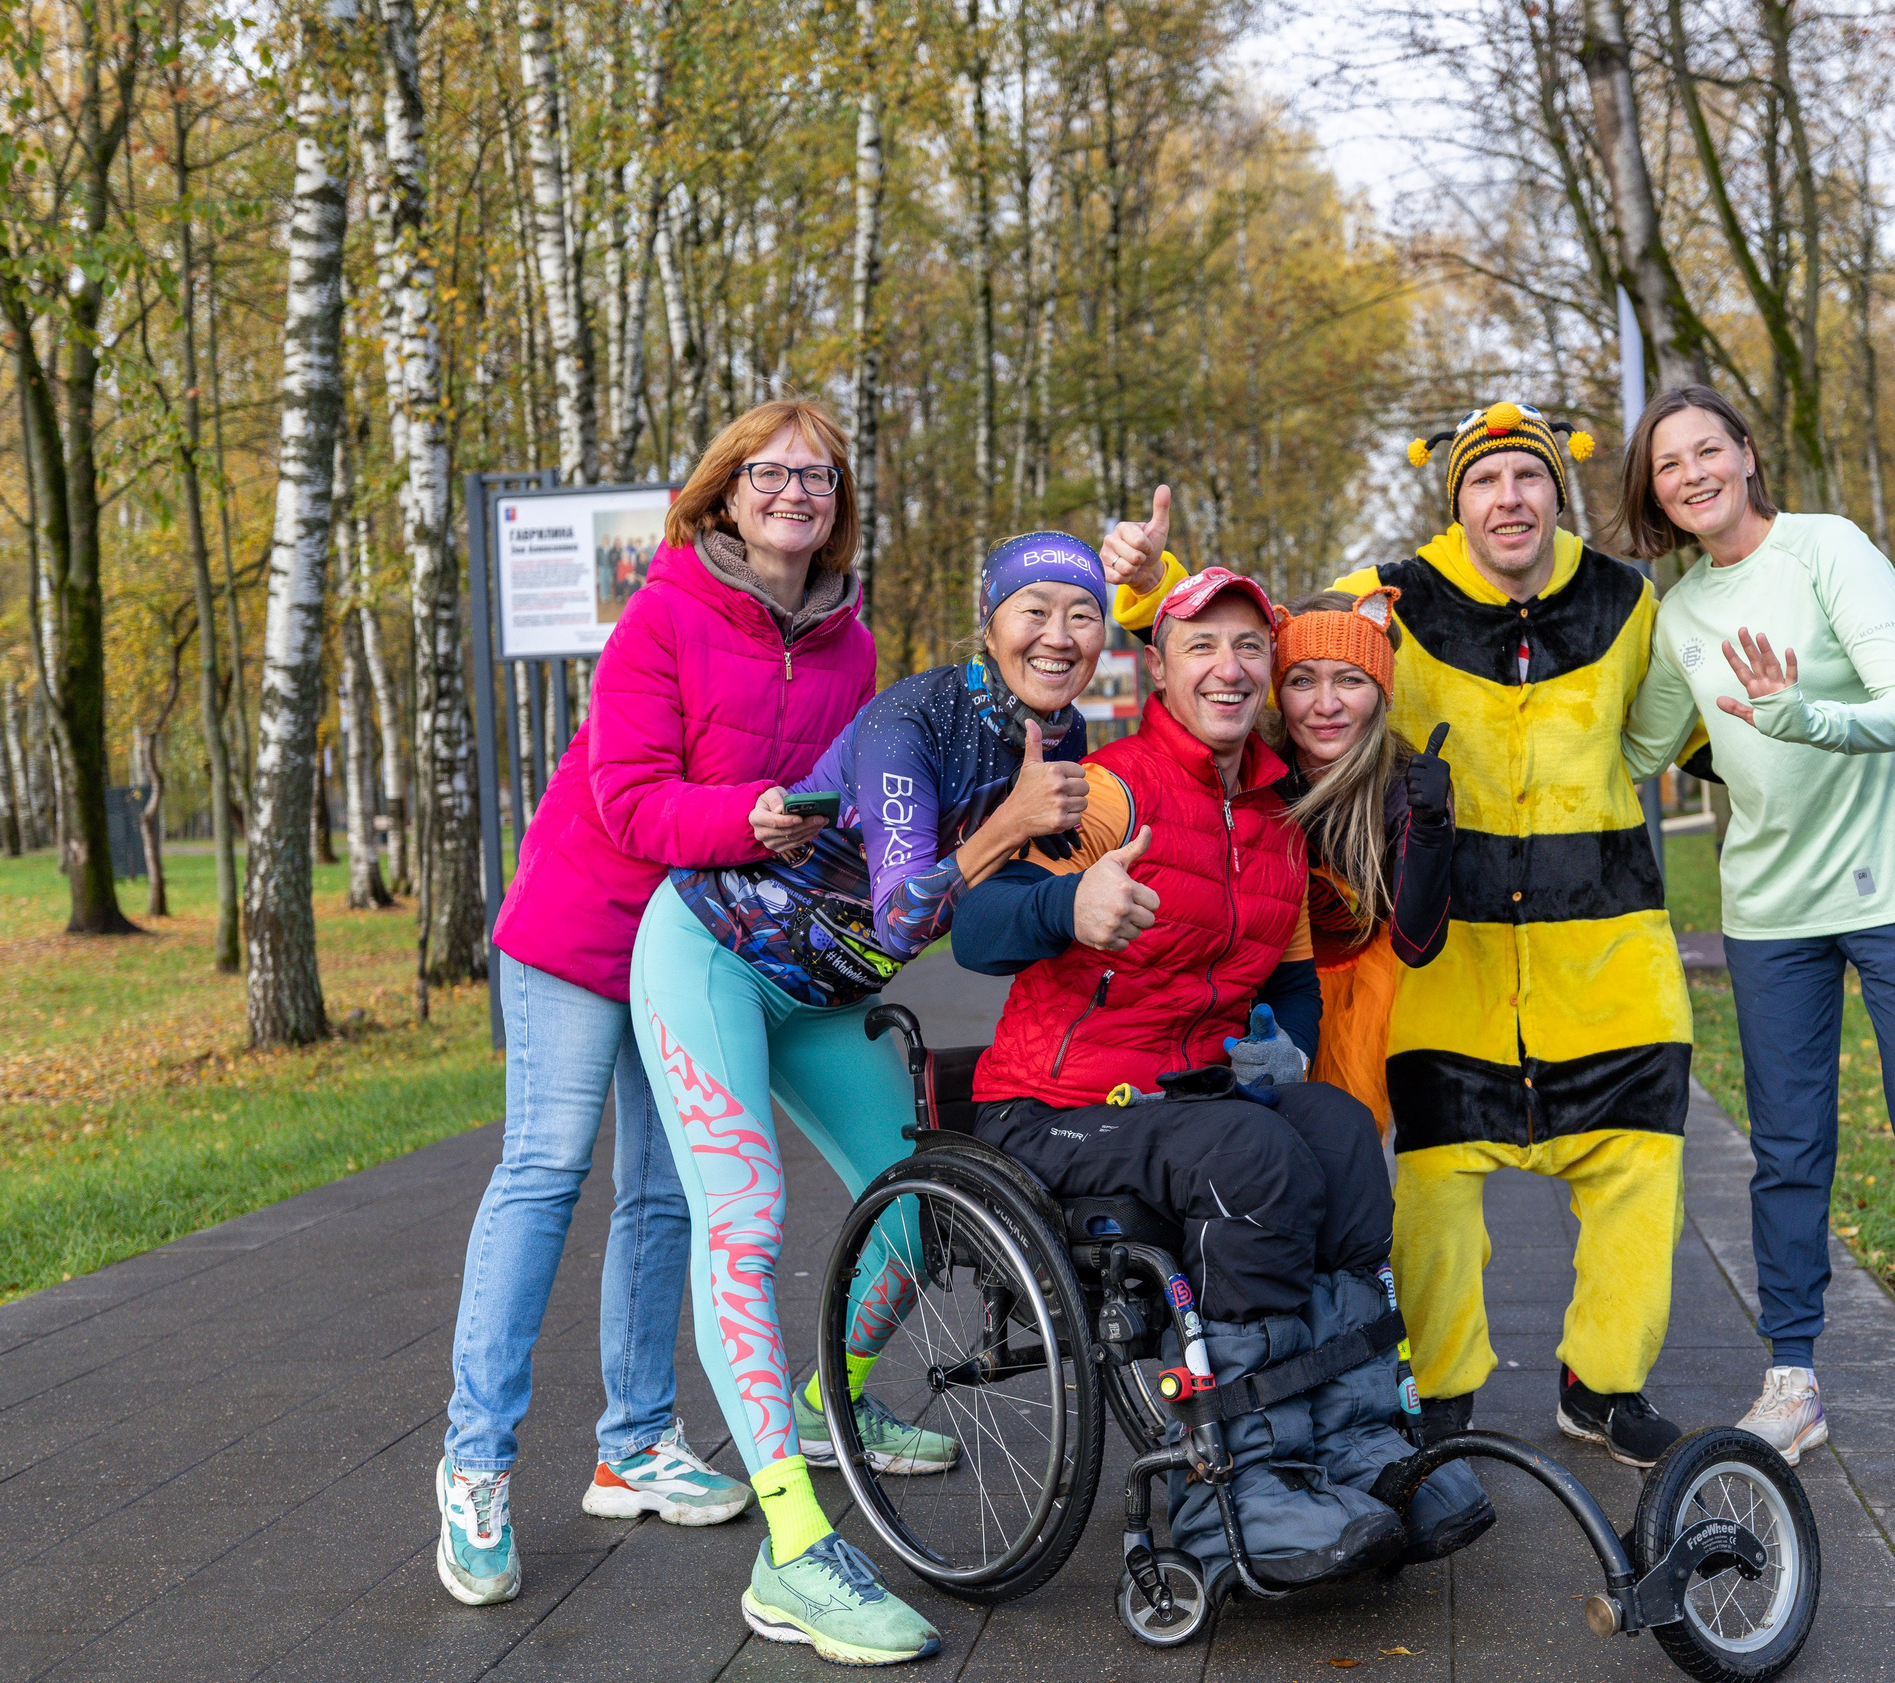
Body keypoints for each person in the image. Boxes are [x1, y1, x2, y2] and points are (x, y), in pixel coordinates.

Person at [1105, 403, 1714, 1471]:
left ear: (1556, 493)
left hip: (1608, 957)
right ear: (1457, 501)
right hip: (1449, 959)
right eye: (1486, 483)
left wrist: (1800, 722)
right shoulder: (1390, 596)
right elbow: (1270, 649)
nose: (1509, 499)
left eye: (1528, 479)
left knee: (1638, 1173)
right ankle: (1440, 1393)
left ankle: (1604, 1386)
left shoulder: (1627, 602)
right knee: (1433, 1188)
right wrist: (1157, 588)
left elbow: (1698, 725)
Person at [951, 566, 1493, 1587]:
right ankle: (1230, 1490)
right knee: (1252, 1155)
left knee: (1333, 1127)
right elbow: (974, 930)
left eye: (1250, 647)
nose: (1229, 666)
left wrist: (1279, 1046)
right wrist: (1065, 910)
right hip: (1054, 1107)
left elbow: (1292, 985)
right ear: (1159, 665)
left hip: (1184, 1100)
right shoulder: (1111, 789)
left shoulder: (1278, 819)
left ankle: (1359, 1447)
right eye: (1202, 645)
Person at [630, 533, 1113, 1663]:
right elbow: (906, 916)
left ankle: (820, 1401)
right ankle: (791, 1553)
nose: (1058, 634)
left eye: (1082, 614)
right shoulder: (914, 723)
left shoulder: (1058, 735)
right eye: (1033, 609)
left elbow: (999, 926)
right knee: (744, 1220)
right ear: (986, 619)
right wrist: (1004, 829)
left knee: (914, 1213)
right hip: (712, 956)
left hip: (826, 993)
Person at [444, 397, 875, 1607]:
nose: (799, 492)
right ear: (725, 490)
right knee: (547, 1166)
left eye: (823, 477)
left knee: (670, 1187)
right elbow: (629, 799)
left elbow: (842, 794)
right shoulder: (665, 611)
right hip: (589, 928)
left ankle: (631, 1442)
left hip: (705, 947)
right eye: (774, 472)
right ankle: (473, 1459)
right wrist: (747, 820)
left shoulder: (848, 642)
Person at [1618, 382, 1895, 1501]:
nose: (1691, 473)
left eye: (1708, 449)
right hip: (1771, 911)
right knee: (1785, 1155)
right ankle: (1791, 1379)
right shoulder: (1680, 608)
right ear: (1653, 492)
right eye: (1667, 464)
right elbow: (1634, 743)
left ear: (1746, 454)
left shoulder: (1827, 549)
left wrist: (1800, 716)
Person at [1261, 588, 1455, 1133]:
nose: (1326, 705)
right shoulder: (1254, 771)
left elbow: (1417, 946)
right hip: (1255, 988)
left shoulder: (1404, 784)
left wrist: (1430, 828)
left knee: (1336, 1151)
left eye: (1350, 679)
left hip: (1355, 998)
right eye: (1302, 680)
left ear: (1382, 690)